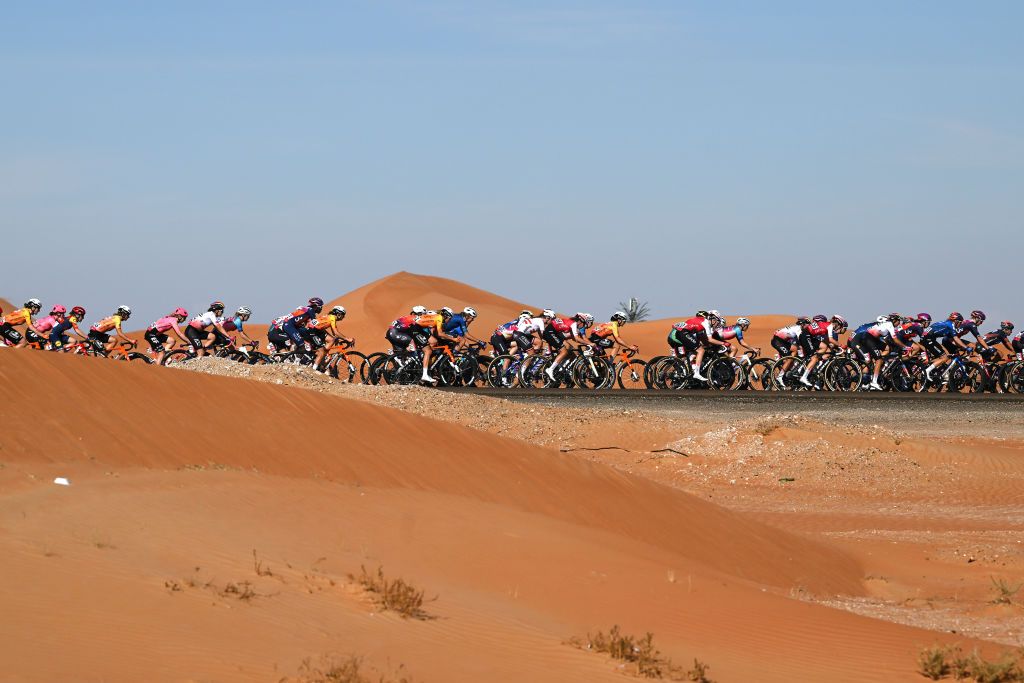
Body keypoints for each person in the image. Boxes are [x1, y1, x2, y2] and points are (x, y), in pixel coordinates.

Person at [797, 315, 846, 387]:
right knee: (814, 358)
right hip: (806, 336)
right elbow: (830, 339)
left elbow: (826, 340)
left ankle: (814, 359)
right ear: (837, 323)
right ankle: (804, 377)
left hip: (809, 336)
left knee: (824, 347)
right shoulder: (830, 326)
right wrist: (841, 345)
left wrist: (833, 346)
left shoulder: (827, 325)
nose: (839, 328)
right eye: (840, 326)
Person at [413, 308, 459, 383]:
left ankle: (425, 359)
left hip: (419, 328)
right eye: (449, 319)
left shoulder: (437, 316)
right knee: (428, 351)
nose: (449, 321)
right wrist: (453, 339)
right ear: (446, 316)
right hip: (415, 328)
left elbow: (436, 333)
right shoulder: (439, 318)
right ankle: (424, 373)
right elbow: (440, 333)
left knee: (434, 341)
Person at [544, 312, 593, 381]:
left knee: (571, 351)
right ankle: (550, 369)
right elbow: (577, 338)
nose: (583, 326)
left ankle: (561, 368)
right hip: (550, 332)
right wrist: (590, 344)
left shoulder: (572, 323)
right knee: (564, 352)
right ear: (580, 321)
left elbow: (574, 338)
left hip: (555, 333)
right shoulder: (573, 324)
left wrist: (586, 344)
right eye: (584, 324)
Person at [921, 312, 967, 384]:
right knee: (945, 357)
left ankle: (929, 368)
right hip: (928, 339)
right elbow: (956, 339)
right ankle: (927, 371)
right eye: (960, 323)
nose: (960, 325)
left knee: (942, 356)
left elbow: (952, 341)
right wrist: (966, 347)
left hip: (927, 338)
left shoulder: (947, 323)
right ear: (956, 321)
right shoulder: (950, 325)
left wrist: (960, 347)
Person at [307, 305, 354, 371]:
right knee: (322, 351)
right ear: (339, 314)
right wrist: (347, 339)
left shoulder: (330, 317)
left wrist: (336, 339)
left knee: (332, 340)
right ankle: (314, 369)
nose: (343, 317)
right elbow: (336, 332)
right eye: (343, 315)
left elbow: (334, 333)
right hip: (313, 330)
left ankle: (323, 355)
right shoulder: (332, 318)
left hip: (317, 330)